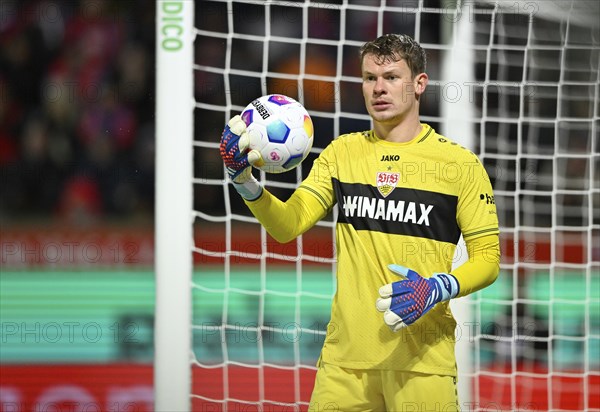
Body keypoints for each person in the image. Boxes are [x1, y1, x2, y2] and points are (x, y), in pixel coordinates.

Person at [220, 33, 500, 411]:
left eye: (391, 77)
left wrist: (437, 287)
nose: (379, 88)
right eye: (370, 78)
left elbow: (488, 259)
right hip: (345, 366)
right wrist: (245, 182)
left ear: (419, 84)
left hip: (422, 365)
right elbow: (288, 225)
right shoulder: (342, 153)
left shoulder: (459, 165)